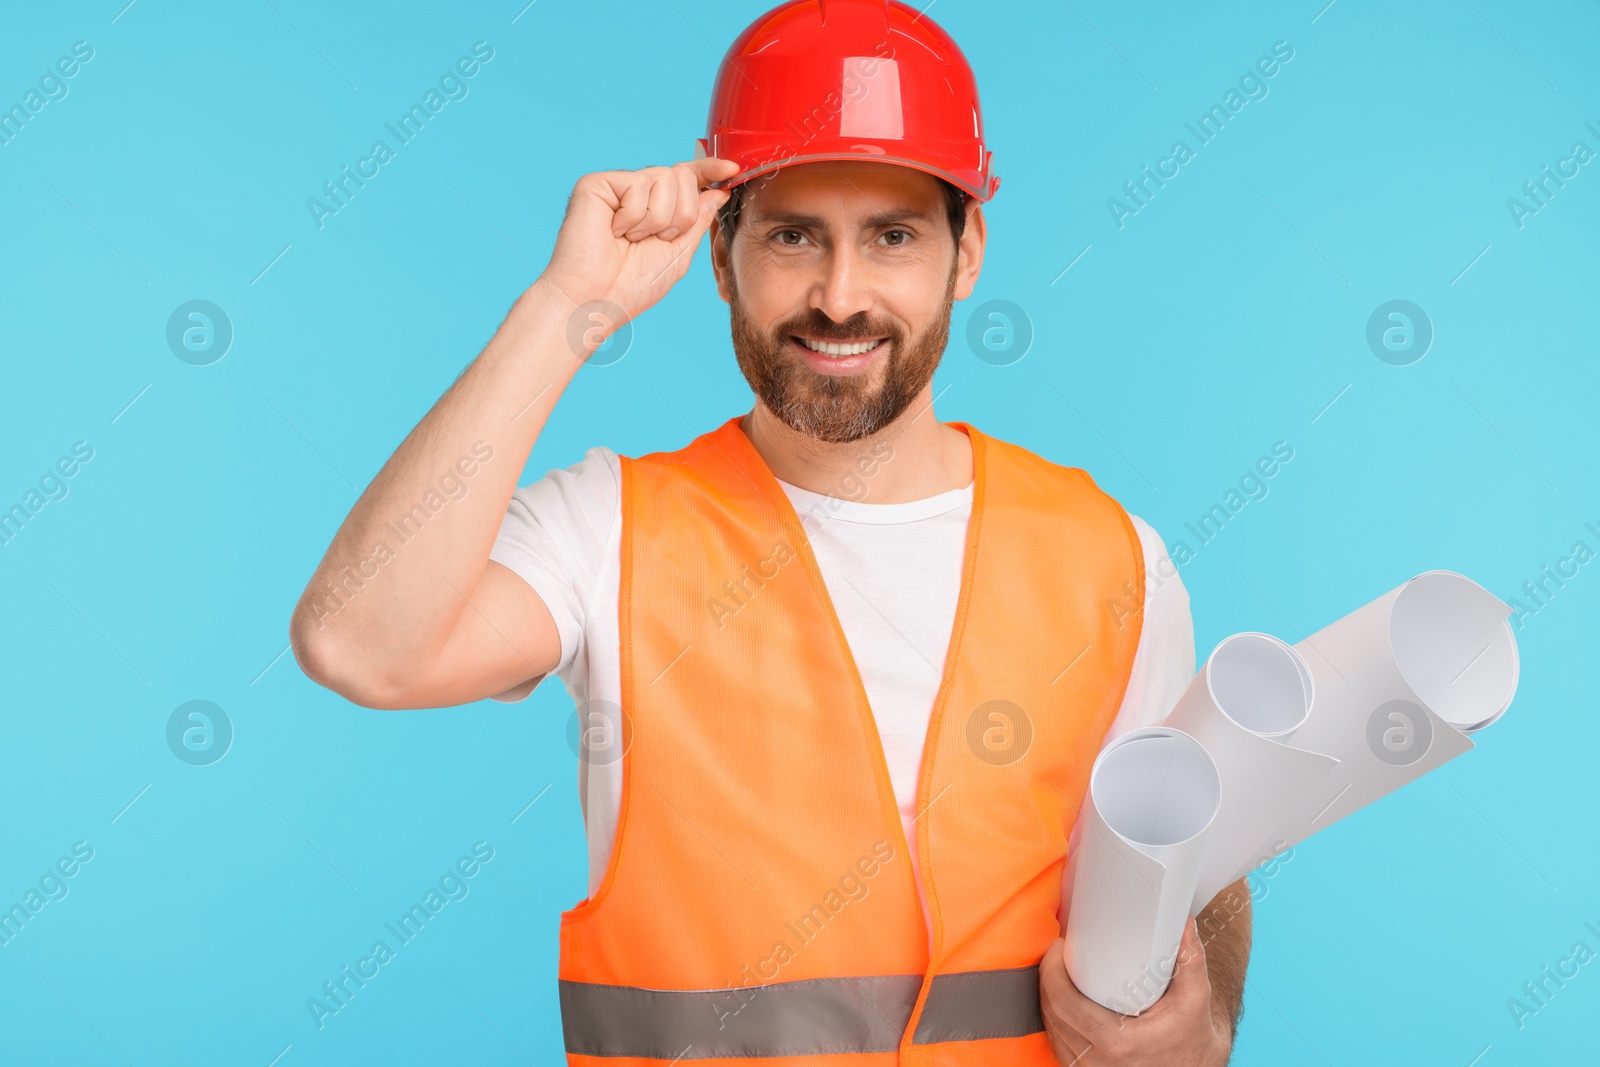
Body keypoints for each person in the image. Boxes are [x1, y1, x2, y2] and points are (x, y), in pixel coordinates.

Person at [290, 1, 1251, 1062]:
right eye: (794, 234)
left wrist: (1195, 1031)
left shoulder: (1111, 555)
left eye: (891, 236)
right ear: (719, 254)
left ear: (965, 251)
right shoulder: (608, 528)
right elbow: (358, 643)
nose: (839, 297)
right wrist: (570, 306)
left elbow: (1189, 853)